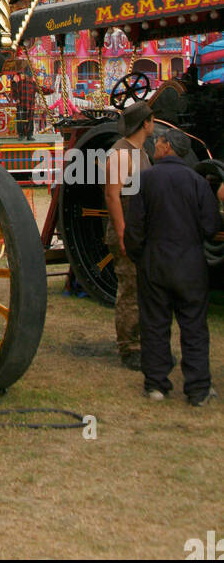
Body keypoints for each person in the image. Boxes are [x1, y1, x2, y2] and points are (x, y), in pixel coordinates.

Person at [124, 126, 221, 406]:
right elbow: (211, 227)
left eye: (158, 143)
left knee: (154, 325)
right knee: (194, 327)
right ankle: (199, 388)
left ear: (167, 147)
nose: (154, 146)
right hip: (190, 263)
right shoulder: (198, 182)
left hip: (154, 261)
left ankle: (156, 384)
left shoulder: (145, 180)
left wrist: (139, 257)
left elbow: (135, 228)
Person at [104, 100, 155, 370]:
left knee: (142, 289)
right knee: (130, 291)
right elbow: (112, 195)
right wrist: (123, 233)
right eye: (151, 119)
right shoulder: (121, 154)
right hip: (128, 230)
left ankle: (142, 341)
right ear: (145, 123)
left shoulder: (141, 153)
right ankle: (129, 347)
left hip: (141, 230)